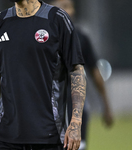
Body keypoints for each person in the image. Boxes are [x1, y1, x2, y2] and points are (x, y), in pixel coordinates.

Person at [0, 0, 86, 150]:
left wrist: (76, 122)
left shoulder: (57, 19)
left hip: (49, 136)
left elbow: (76, 70)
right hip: (6, 138)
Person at [50, 0, 113, 149]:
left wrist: (106, 105)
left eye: (71, 6)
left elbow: (95, 73)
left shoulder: (81, 38)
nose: (70, 11)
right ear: (51, 8)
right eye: (64, 6)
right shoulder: (40, 39)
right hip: (47, 110)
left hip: (75, 109)